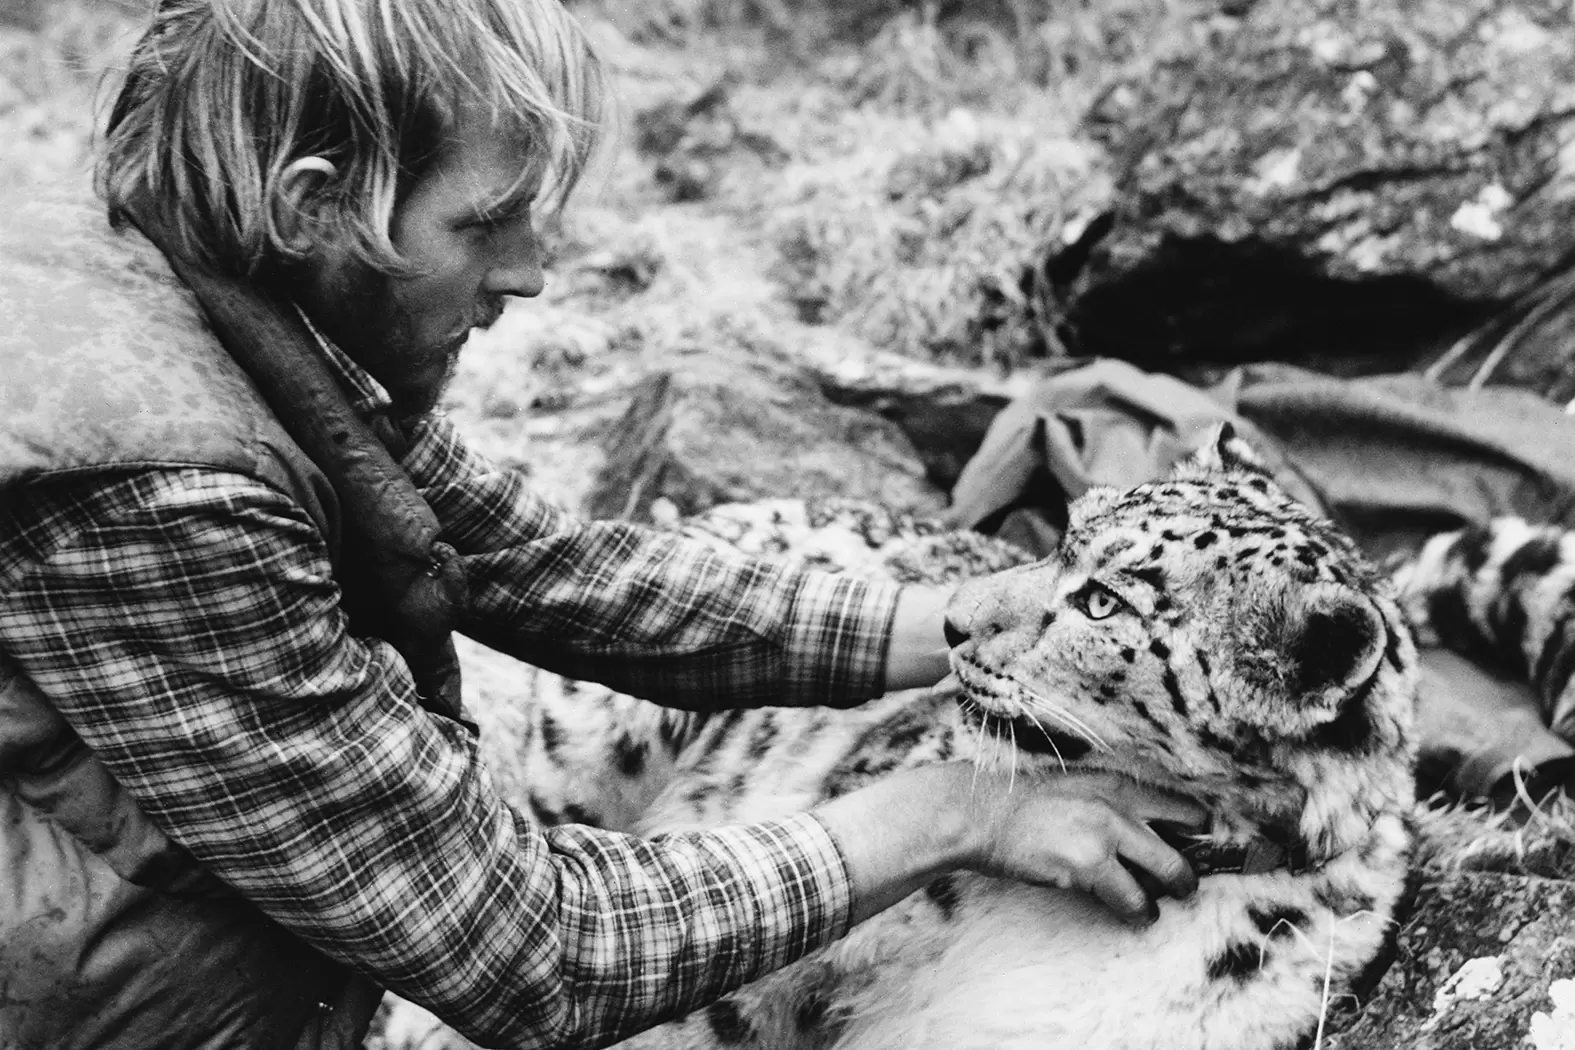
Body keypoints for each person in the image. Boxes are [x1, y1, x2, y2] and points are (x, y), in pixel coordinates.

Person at [0, 2, 1202, 1048]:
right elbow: (523, 950)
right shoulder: (161, 484)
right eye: (488, 221)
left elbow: (543, 568)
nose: (532, 271)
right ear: (316, 204)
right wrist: (951, 811)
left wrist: (948, 622)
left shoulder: (207, 266)